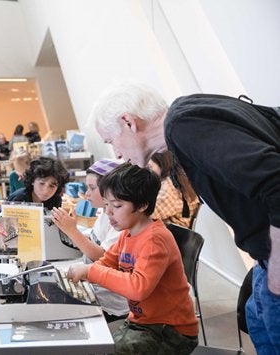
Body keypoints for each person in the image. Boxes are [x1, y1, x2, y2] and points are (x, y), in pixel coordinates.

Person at [89, 82, 280, 353]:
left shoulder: (184, 125)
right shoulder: (188, 118)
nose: (117, 153)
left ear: (128, 122)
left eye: (111, 141)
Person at [66, 163, 199, 354]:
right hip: (143, 321)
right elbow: (106, 262)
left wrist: (91, 272)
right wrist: (84, 273)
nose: (109, 212)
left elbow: (138, 288)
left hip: (169, 329)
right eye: (106, 204)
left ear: (142, 205)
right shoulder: (127, 235)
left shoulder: (154, 239)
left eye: (117, 205)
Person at [51, 159, 129, 321]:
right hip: (95, 283)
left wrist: (72, 231)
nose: (87, 194)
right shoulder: (104, 214)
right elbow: (94, 241)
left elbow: (101, 257)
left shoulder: (120, 220)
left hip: (110, 298)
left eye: (92, 188)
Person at [147, 151, 200, 229]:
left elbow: (148, 215)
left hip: (176, 237)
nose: (148, 171)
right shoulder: (179, 176)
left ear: (162, 164)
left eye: (150, 167)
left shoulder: (169, 188)